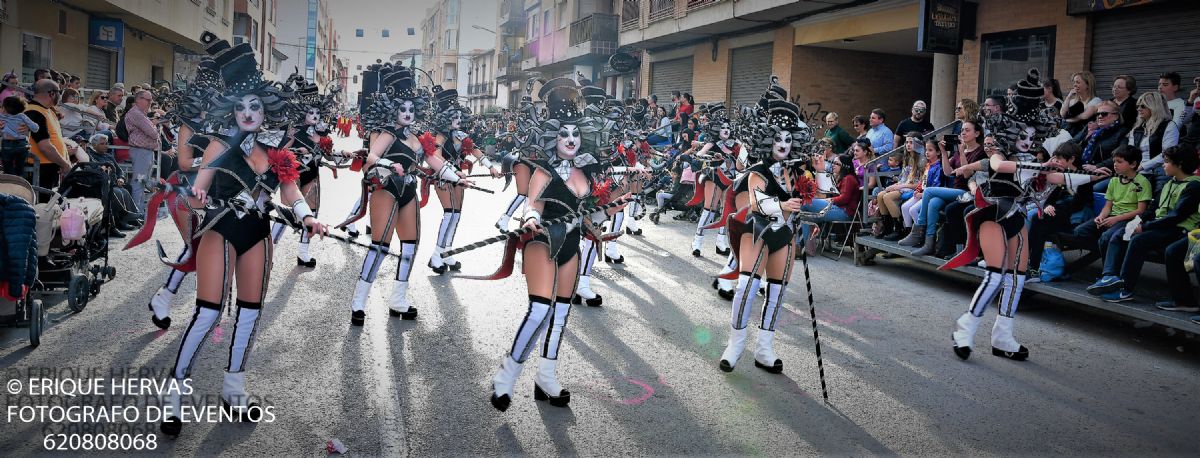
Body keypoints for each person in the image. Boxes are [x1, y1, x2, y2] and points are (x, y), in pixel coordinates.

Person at [159, 32, 328, 437]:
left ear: (265, 108)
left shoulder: (276, 150)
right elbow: (199, 188)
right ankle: (174, 395)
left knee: (250, 313)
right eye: (240, 106)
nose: (248, 112)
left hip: (257, 234)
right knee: (208, 312)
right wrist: (199, 196)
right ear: (230, 109)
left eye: (255, 105)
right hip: (220, 229)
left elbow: (288, 190)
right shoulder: (218, 144)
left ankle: (234, 391)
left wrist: (306, 216)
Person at [488, 78, 627, 411]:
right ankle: (506, 377)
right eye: (564, 133)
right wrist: (530, 220)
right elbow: (531, 203)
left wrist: (616, 203)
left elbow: (590, 213)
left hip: (572, 247)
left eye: (576, 134)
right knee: (540, 310)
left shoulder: (587, 173)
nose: (571, 140)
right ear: (552, 135)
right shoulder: (544, 170)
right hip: (542, 241)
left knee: (561, 314)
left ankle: (546, 376)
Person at [948, 68, 1104, 361]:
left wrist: (1089, 174)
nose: (1026, 139)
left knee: (1017, 279)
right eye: (1022, 133)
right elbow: (1002, 167)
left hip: (1017, 217)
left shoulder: (1034, 160)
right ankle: (965, 329)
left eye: (1032, 135)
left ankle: (1003, 336)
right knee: (994, 276)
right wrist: (1041, 168)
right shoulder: (999, 154)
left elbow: (1058, 180)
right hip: (994, 213)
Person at [719, 77, 813, 374]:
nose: (783, 145)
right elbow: (758, 202)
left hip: (784, 235)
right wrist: (783, 205)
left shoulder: (798, 170)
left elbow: (823, 194)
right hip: (756, 231)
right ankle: (735, 344)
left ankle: (764, 348)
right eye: (778, 139)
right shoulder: (757, 170)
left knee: (777, 291)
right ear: (767, 139)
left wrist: (819, 175)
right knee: (747, 286)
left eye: (788, 139)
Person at [343, 63, 442, 325]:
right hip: (386, 189)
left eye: (411, 108)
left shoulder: (419, 138)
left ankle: (398, 300)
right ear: (393, 109)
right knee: (380, 247)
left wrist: (458, 176)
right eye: (402, 108)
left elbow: (435, 161)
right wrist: (389, 164)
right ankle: (359, 302)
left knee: (410, 246)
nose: (407, 113)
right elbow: (373, 157)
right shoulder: (387, 133)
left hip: (408, 190)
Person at [1089, 145, 1200, 302]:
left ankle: (1125, 289)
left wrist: (1145, 227)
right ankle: (1110, 278)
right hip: (1162, 226)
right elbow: (1153, 209)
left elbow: (1176, 217)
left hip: (1180, 230)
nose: (1163, 165)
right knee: (1120, 234)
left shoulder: (1193, 186)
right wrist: (1137, 222)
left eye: (1167, 161)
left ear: (1179, 164)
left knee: (1138, 241)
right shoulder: (1170, 183)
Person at [426, 85, 502, 274]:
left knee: (457, 216)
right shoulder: (440, 136)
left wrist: (491, 167)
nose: (459, 120)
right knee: (450, 213)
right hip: (443, 176)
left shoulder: (461, 135)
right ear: (445, 118)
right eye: (454, 117)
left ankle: (447, 253)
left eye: (460, 117)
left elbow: (475, 149)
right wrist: (456, 172)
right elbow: (436, 157)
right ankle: (437, 256)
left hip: (459, 176)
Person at [270, 74, 336, 268]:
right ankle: (269, 250)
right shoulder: (294, 131)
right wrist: (296, 151)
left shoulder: (320, 135)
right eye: (310, 112)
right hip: (293, 176)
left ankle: (303, 253)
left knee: (312, 213)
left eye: (317, 112)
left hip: (312, 175)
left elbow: (329, 154)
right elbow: (279, 152)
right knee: (286, 215)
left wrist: (344, 154)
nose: (315, 116)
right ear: (301, 112)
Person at [900, 118, 986, 255]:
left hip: (967, 191)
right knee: (933, 203)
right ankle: (929, 243)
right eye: (962, 130)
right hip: (955, 190)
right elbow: (948, 172)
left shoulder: (979, 152)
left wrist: (962, 152)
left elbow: (967, 175)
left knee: (928, 191)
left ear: (977, 133)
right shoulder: (959, 151)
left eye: (967, 130)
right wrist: (944, 153)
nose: (963, 133)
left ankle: (918, 230)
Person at [23, 79, 72, 187]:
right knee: (42, 203)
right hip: (40, 169)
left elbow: (55, 139)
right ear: (52, 93)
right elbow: (44, 146)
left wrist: (63, 160)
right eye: (60, 92)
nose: (60, 96)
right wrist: (64, 163)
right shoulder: (33, 112)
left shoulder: (47, 110)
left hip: (50, 167)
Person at [876, 135, 925, 240]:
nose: (908, 145)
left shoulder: (922, 160)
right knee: (880, 195)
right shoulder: (907, 158)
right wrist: (894, 186)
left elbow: (919, 184)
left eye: (911, 142)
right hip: (904, 186)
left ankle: (899, 229)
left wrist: (899, 187)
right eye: (907, 142)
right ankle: (887, 227)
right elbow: (902, 179)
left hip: (913, 188)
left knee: (887, 197)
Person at [1130, 92, 1180, 192]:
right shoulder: (1136, 129)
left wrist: (1143, 166)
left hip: (1159, 169)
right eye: (1138, 106)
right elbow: (1129, 152)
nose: (1139, 109)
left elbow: (1167, 154)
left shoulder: (1169, 125)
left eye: (1143, 106)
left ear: (1154, 107)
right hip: (1137, 169)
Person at [124, 89, 161, 214]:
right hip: (141, 152)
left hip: (145, 152)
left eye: (151, 100)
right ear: (138, 99)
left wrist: (153, 125)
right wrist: (154, 126)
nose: (150, 102)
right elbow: (154, 133)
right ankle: (137, 213)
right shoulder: (136, 114)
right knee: (139, 182)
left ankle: (138, 211)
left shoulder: (141, 113)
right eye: (148, 100)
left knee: (142, 182)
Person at [1, 96, 38, 176]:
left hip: (7, 144)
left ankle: (11, 179)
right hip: (22, 145)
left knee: (8, 167)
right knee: (20, 167)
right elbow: (35, 128)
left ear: (5, 108)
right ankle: (20, 180)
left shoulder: (2, 116)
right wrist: (28, 127)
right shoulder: (22, 116)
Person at [1061, 71, 1102, 137]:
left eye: (1078, 82)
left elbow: (1084, 116)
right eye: (1074, 82)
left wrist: (1067, 119)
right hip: (1067, 132)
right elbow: (1063, 114)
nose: (1074, 85)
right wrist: (1068, 97)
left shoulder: (1096, 101)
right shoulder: (1072, 101)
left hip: (1082, 135)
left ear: (1088, 85)